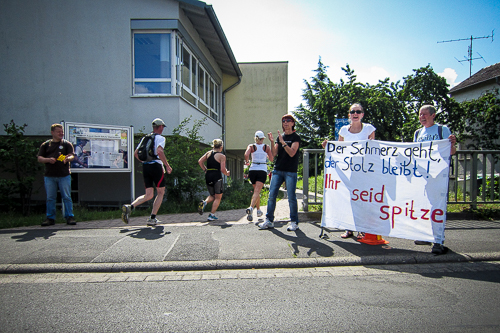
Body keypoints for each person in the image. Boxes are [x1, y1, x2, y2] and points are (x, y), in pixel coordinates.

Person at [322, 103, 376, 239]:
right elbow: (338, 151)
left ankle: (362, 229)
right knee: (349, 199)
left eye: (358, 111)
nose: (355, 114)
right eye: (353, 112)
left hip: (364, 172)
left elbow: (373, 150)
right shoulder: (343, 130)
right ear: (349, 115)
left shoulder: (369, 129)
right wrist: (328, 147)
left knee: (363, 199)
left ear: (362, 114)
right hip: (349, 171)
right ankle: (349, 228)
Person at [413, 105, 457, 255]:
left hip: (438, 176)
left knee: (437, 207)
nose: (422, 117)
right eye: (420, 115)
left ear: (433, 115)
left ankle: (438, 241)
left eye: (425, 114)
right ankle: (426, 236)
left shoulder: (442, 130)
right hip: (423, 176)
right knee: (423, 206)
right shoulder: (418, 132)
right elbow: (414, 152)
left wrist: (453, 143)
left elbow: (451, 152)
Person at [121, 118, 172, 226]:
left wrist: (145, 161)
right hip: (156, 167)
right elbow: (159, 151)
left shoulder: (145, 138)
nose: (163, 129)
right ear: (161, 127)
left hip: (145, 167)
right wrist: (167, 165)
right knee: (160, 192)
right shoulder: (161, 138)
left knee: (148, 194)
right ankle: (152, 218)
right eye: (162, 127)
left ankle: (130, 206)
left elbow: (136, 154)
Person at [258, 114, 301, 231]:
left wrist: (283, 143)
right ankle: (269, 220)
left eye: (288, 120)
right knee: (272, 195)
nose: (285, 123)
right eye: (283, 121)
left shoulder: (296, 137)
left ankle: (294, 222)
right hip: (278, 170)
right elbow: (274, 154)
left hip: (290, 171)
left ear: (293, 123)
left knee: (291, 197)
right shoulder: (279, 137)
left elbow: (292, 153)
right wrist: (273, 142)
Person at [37, 123, 76, 226]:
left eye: (62, 132)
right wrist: (48, 160)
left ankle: (69, 217)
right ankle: (50, 218)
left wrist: (67, 158)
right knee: (50, 197)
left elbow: (72, 156)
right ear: (52, 132)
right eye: (58, 132)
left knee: (66, 196)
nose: (61, 133)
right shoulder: (46, 145)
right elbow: (40, 158)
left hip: (64, 175)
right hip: (49, 176)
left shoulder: (66, 144)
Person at [198, 139, 231, 221]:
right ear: (221, 147)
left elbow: (200, 161)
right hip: (217, 177)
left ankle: (204, 202)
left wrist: (205, 170)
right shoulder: (222, 156)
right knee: (218, 197)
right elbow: (222, 169)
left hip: (208, 176)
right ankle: (211, 215)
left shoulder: (208, 153)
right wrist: (227, 173)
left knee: (213, 195)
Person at [244, 130, 274, 221]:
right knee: (257, 191)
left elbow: (246, 154)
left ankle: (258, 210)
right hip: (262, 169)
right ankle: (251, 208)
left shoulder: (251, 146)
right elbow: (272, 159)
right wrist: (268, 156)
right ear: (263, 138)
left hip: (253, 169)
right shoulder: (266, 147)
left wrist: (247, 161)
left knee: (256, 191)